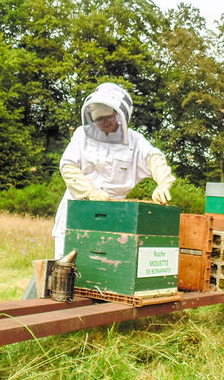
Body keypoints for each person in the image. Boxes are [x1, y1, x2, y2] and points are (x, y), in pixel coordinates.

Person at [51, 82, 176, 259]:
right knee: (65, 263)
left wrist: (164, 183)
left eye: (108, 117)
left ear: (117, 114)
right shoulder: (82, 135)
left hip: (116, 212)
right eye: (99, 119)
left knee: (109, 263)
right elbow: (68, 166)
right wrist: (90, 193)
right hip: (78, 206)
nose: (104, 123)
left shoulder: (134, 140)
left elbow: (153, 158)